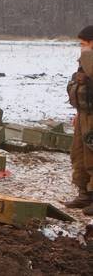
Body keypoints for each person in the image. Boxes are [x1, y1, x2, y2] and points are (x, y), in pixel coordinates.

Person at [64, 25, 93, 215]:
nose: (81, 47)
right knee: (79, 155)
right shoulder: (86, 60)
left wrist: (88, 55)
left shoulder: (89, 60)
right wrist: (78, 113)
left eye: (84, 43)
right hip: (84, 113)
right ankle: (84, 193)